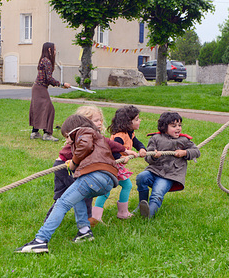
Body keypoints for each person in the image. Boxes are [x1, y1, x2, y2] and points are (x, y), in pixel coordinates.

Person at [16, 114, 119, 253]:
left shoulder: (84, 132)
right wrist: (126, 152)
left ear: (73, 131)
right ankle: (84, 232)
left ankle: (40, 241)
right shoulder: (98, 137)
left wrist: (74, 162)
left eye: (66, 136)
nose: (67, 141)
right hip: (108, 181)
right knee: (78, 197)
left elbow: (85, 145)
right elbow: (115, 146)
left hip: (93, 177)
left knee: (62, 203)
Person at [44, 106, 133, 226]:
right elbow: (104, 144)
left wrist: (124, 152)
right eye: (96, 120)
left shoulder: (92, 136)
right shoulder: (83, 137)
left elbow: (108, 145)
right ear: (84, 123)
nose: (100, 122)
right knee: (80, 192)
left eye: (100, 119)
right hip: (64, 167)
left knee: (66, 195)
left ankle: (64, 219)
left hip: (68, 166)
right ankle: (85, 221)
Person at [135, 111, 200, 219]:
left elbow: (196, 152)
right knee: (141, 177)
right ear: (164, 127)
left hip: (170, 174)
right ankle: (141, 204)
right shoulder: (155, 138)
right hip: (154, 170)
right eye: (174, 126)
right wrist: (154, 156)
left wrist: (185, 153)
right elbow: (148, 157)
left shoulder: (184, 140)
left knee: (157, 193)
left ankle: (148, 214)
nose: (178, 128)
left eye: (179, 125)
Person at [93, 106, 146, 221]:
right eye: (137, 119)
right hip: (111, 165)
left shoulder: (129, 133)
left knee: (124, 186)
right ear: (128, 122)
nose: (139, 121)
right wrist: (120, 157)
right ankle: (98, 216)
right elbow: (111, 149)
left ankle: (121, 212)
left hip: (117, 165)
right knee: (107, 189)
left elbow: (136, 142)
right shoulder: (119, 136)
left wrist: (141, 149)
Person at [29, 42, 70, 141]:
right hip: (40, 88)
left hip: (38, 88)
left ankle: (35, 132)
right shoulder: (46, 61)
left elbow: (48, 79)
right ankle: (47, 134)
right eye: (54, 50)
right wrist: (61, 84)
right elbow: (49, 79)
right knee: (49, 109)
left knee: (38, 109)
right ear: (49, 50)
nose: (55, 52)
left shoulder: (43, 60)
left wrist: (60, 84)